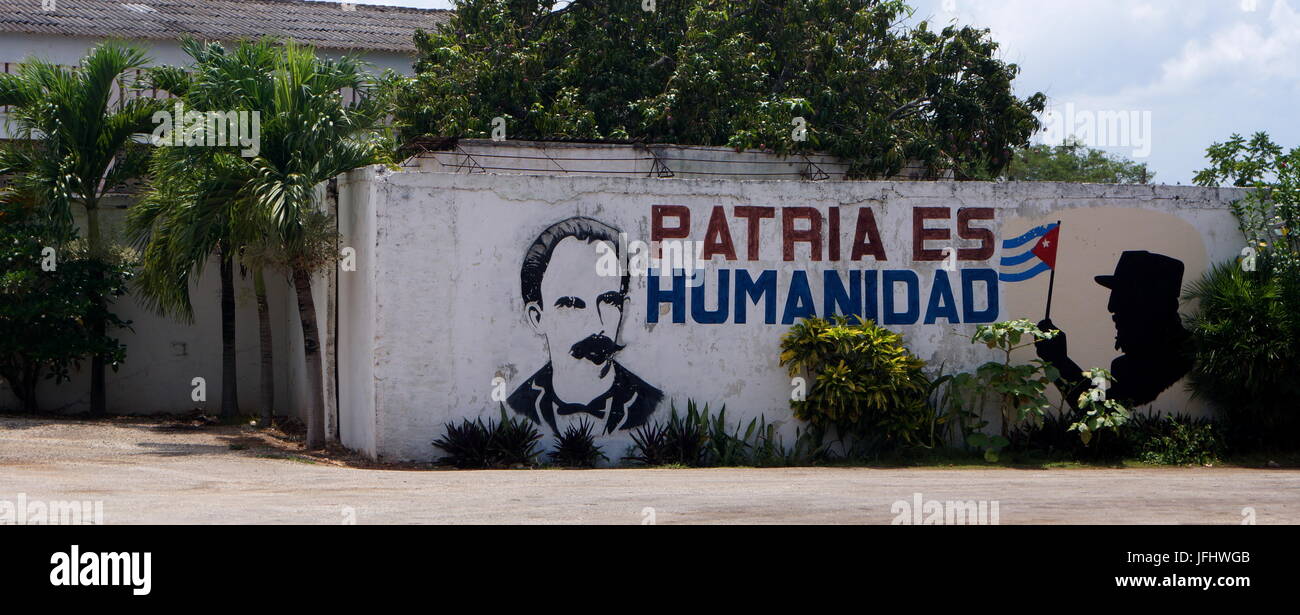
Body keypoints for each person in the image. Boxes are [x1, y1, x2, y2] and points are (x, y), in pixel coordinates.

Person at [507, 217, 664, 435]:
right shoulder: (518, 404)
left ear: (623, 310)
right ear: (537, 317)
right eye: (571, 304)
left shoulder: (650, 402)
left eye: (609, 300)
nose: (595, 324)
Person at [1035, 250, 1193, 410]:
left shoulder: (1181, 359)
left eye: (1125, 297)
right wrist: (1059, 360)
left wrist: (1060, 361)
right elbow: (1100, 410)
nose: (1112, 308)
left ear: (1154, 306)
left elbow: (1100, 413)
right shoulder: (1127, 365)